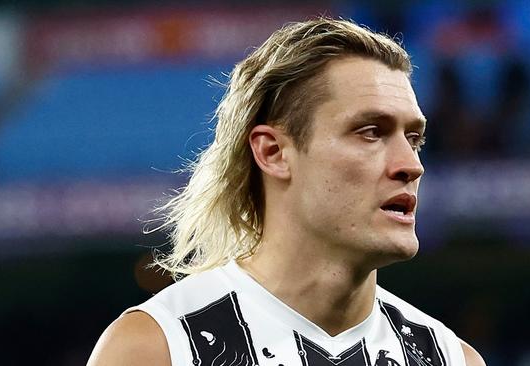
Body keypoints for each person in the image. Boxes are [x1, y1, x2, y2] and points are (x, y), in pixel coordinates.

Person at [88, 18, 486, 366]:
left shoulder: (450, 357)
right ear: (273, 152)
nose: (411, 165)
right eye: (370, 132)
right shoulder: (157, 348)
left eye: (413, 138)